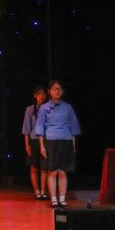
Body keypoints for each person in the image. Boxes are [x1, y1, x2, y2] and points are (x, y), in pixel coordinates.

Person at [35, 80, 81, 209]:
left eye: (59, 89)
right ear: (49, 91)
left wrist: (73, 145)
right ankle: (54, 199)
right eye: (54, 89)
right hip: (51, 141)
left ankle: (62, 198)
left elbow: (73, 128)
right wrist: (41, 146)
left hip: (65, 140)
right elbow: (40, 127)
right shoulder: (44, 108)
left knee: (62, 172)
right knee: (52, 171)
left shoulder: (68, 107)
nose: (57, 91)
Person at [22, 85, 50, 200]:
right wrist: (27, 145)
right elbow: (26, 129)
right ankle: (37, 191)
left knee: (44, 167)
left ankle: (43, 191)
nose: (41, 96)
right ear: (35, 96)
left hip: (46, 140)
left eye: (43, 94)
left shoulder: (49, 108)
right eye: (39, 94)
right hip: (34, 140)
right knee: (34, 167)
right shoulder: (30, 109)